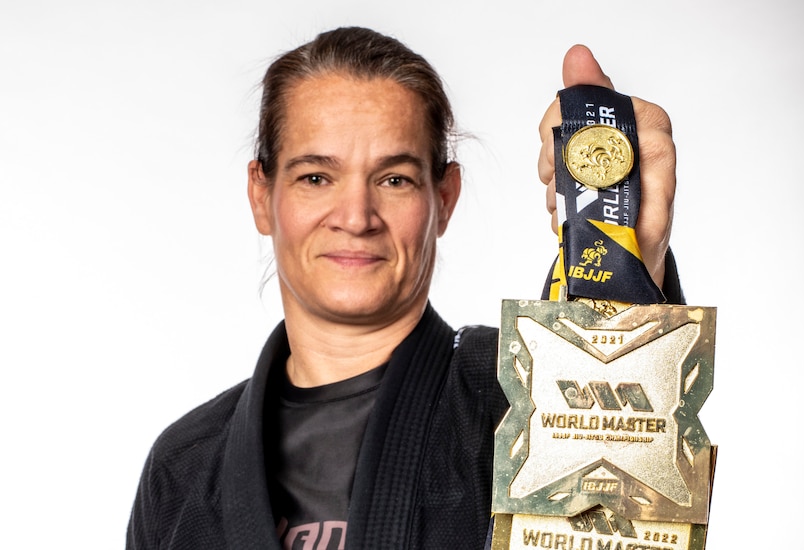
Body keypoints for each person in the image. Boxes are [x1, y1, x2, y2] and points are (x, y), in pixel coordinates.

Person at [126, 27, 682, 549]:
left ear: (444, 197)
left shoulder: (526, 396)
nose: (355, 215)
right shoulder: (185, 468)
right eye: (316, 177)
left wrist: (625, 266)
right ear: (260, 194)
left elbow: (616, 515)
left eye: (394, 179)